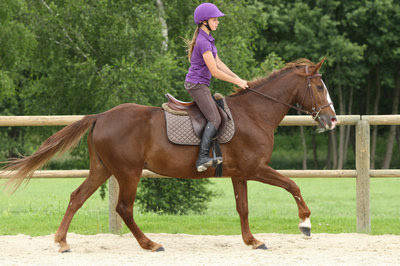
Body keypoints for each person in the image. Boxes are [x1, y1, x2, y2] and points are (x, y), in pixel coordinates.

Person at [184, 3, 248, 172]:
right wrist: (236, 83)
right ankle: (202, 158)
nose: (218, 22)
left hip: (201, 85)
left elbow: (219, 63)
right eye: (214, 19)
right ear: (204, 22)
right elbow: (215, 71)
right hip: (196, 85)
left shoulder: (208, 39)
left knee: (220, 116)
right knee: (215, 119)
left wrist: (238, 78)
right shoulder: (203, 42)